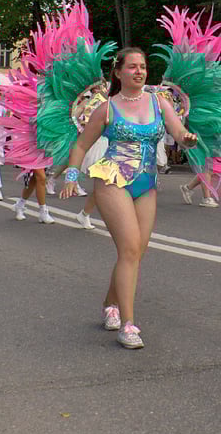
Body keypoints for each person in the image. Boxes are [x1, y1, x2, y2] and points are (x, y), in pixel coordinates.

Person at [60, 48, 198, 350]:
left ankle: (110, 303)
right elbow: (81, 145)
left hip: (146, 183)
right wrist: (72, 176)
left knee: (135, 252)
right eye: (133, 67)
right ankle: (128, 324)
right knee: (130, 248)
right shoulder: (107, 108)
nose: (139, 71)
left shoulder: (159, 102)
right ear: (118, 72)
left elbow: (177, 130)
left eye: (143, 67)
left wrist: (187, 138)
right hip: (112, 180)